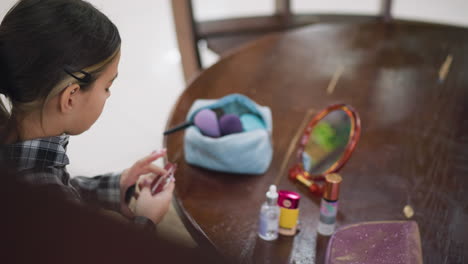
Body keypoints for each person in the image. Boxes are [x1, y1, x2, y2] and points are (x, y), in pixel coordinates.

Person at [0, 0, 174, 229]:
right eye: (107, 87)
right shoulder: (48, 204)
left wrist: (117, 184)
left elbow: (65, 188)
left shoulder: (18, 155)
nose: (108, 95)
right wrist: (147, 219)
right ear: (70, 96)